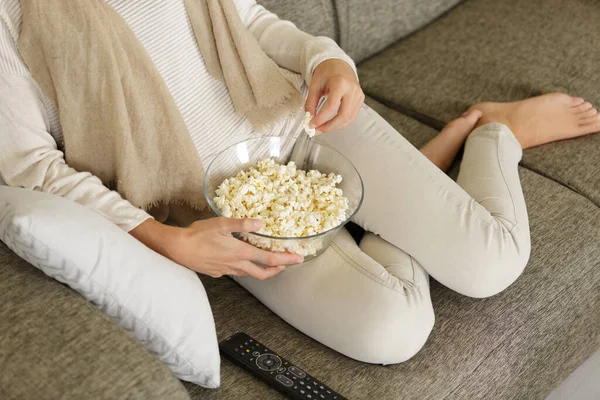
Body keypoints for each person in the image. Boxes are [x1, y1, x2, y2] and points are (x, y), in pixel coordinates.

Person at [0, 0, 598, 365]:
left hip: (307, 125)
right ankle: (437, 155)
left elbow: (249, 21)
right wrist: (164, 238)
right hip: (214, 203)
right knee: (392, 330)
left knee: (492, 262)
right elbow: (30, 167)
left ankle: (498, 133)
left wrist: (326, 61)